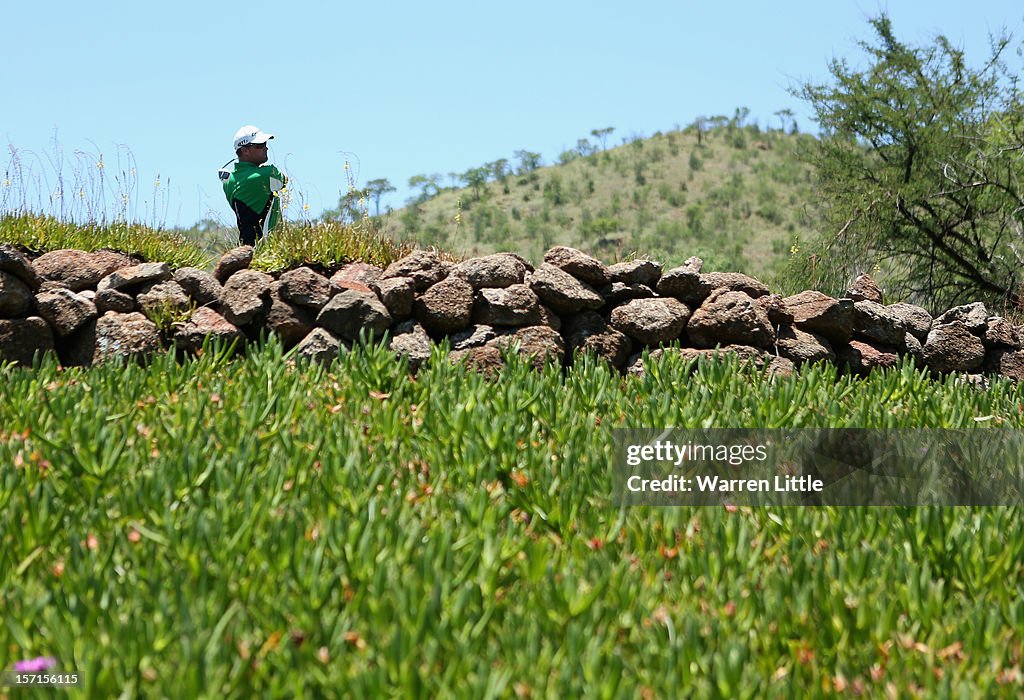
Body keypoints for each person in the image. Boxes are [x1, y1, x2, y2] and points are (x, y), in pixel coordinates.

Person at [220, 125, 287, 246]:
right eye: (260, 145)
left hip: (245, 247)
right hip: (267, 249)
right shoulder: (266, 174)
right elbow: (284, 180)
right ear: (245, 150)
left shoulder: (229, 181)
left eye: (265, 144)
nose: (266, 148)